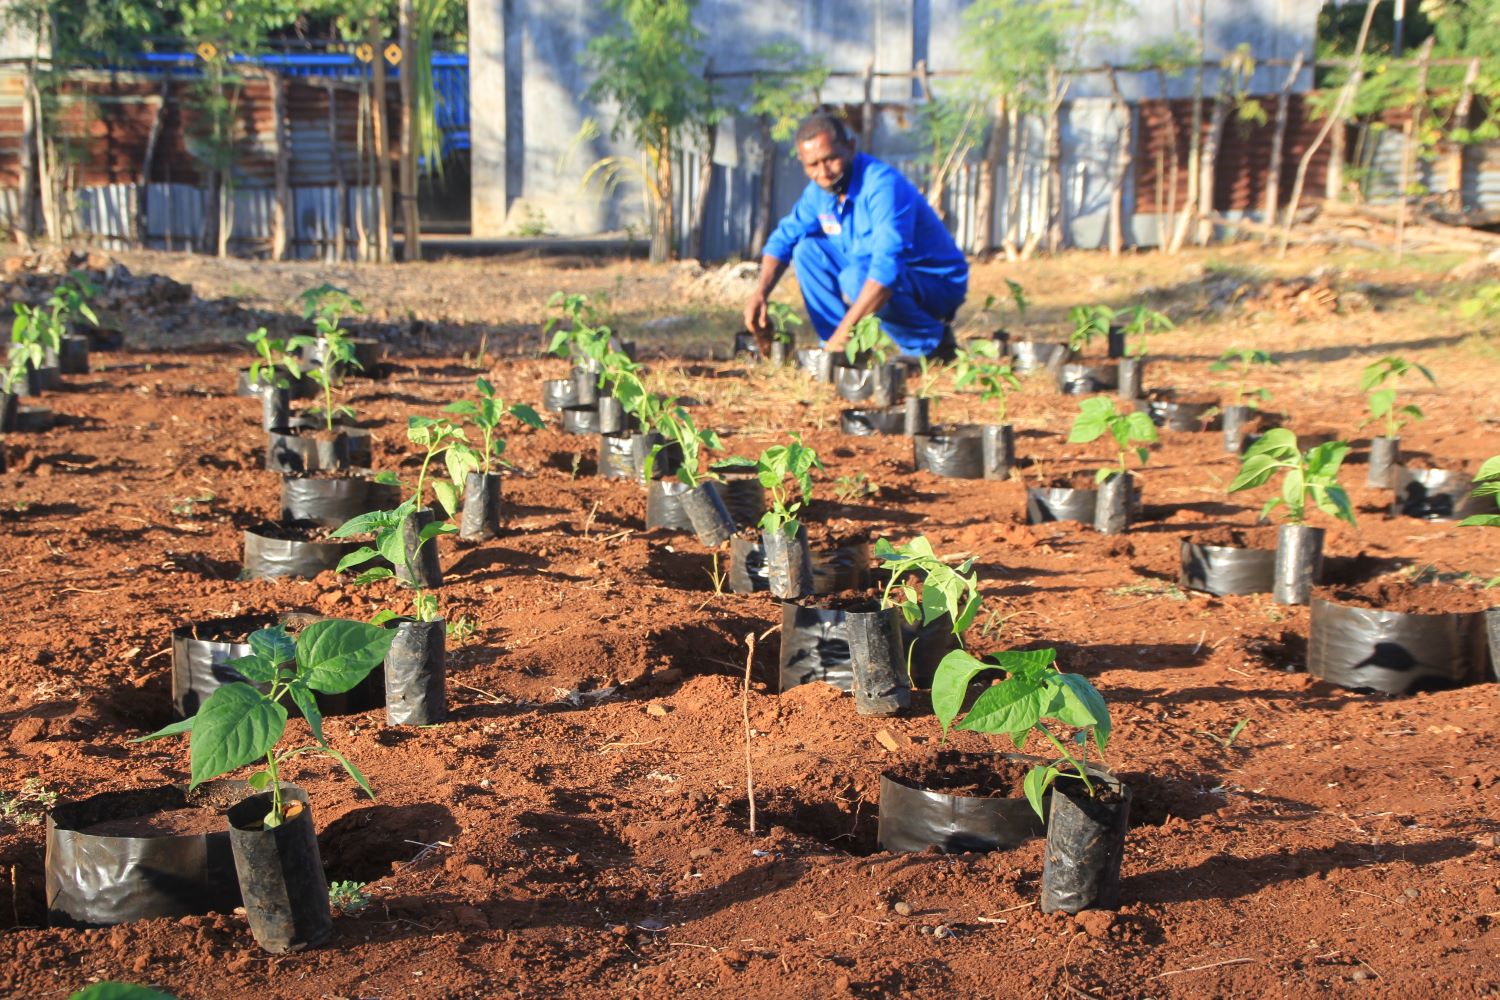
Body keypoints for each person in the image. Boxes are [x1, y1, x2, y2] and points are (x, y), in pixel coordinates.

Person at [743, 110, 968, 360]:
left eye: (830, 159)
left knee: (856, 277)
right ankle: (843, 354)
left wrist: (845, 331)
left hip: (936, 283)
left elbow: (886, 270)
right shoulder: (819, 192)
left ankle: (930, 345)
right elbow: (782, 240)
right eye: (812, 165)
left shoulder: (882, 186)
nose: (823, 172)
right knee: (807, 251)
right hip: (873, 271)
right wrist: (760, 293)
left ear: (850, 147)